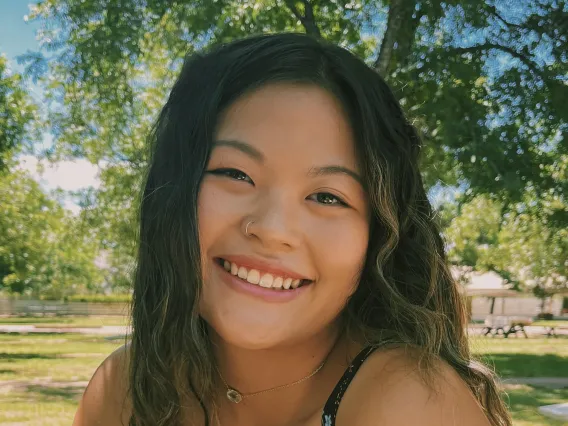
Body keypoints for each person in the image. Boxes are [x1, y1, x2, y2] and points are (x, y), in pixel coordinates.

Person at [73, 33, 511, 426]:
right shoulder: (124, 389)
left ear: (378, 238)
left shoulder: (410, 403)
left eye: (327, 197)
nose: (272, 229)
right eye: (235, 173)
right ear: (172, 193)